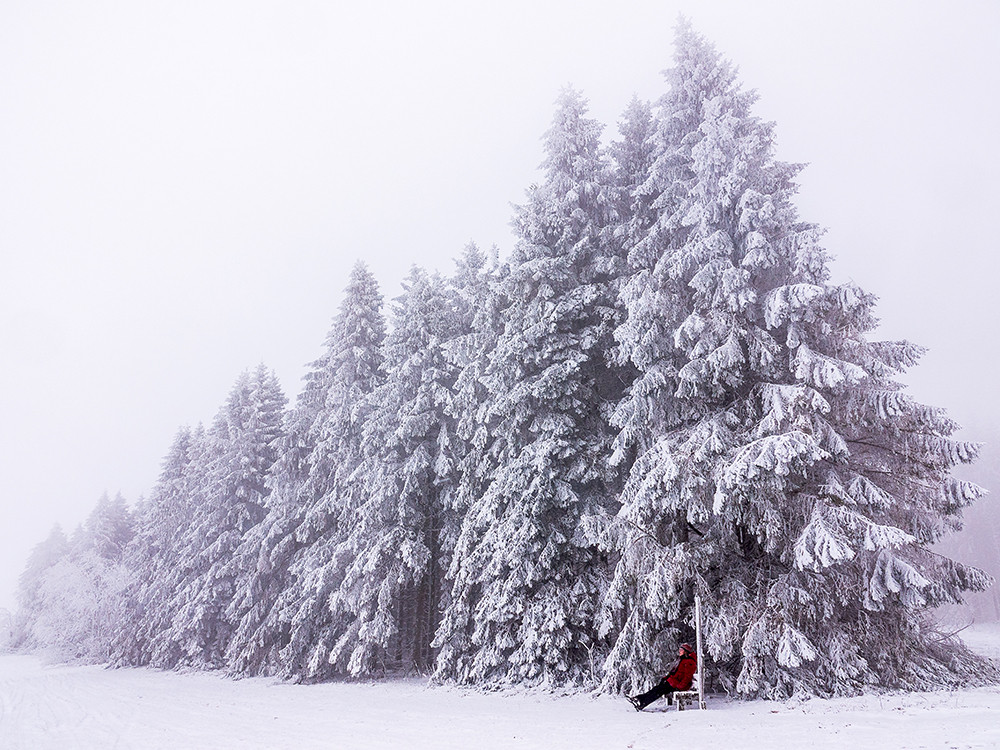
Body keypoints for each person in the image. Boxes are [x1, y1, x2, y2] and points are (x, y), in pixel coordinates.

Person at [628, 643, 697, 711]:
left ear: (686, 651)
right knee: (656, 689)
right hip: (674, 683)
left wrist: (679, 687)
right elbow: (674, 673)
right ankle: (640, 700)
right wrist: (665, 679)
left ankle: (641, 702)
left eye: (681, 650)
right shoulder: (682, 660)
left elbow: (688, 677)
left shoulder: (689, 662)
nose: (679, 651)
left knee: (659, 690)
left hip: (679, 685)